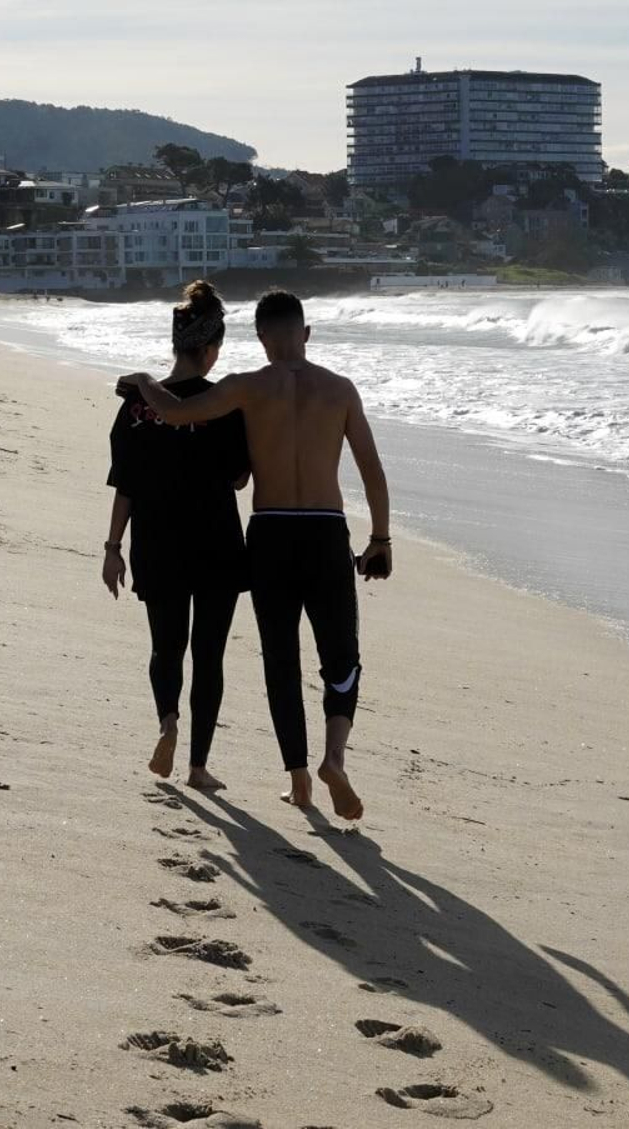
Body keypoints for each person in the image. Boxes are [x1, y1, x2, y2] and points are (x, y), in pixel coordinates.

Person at [118, 289, 390, 821]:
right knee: (341, 656)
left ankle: (300, 780)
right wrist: (379, 540)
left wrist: (144, 380)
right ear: (306, 334)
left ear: (262, 339)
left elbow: (173, 414)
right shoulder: (340, 390)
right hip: (325, 530)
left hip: (269, 534)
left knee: (281, 661)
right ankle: (335, 758)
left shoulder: (245, 387)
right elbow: (372, 472)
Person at [104, 280, 250, 789]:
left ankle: (167, 721)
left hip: (157, 541)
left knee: (167, 646)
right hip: (216, 544)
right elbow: (238, 477)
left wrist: (112, 549)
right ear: (210, 350)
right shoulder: (226, 404)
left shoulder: (137, 407)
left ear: (176, 345)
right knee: (209, 654)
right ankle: (198, 767)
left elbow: (124, 483)